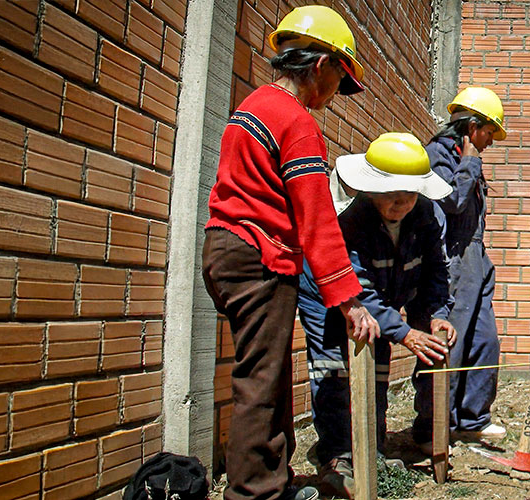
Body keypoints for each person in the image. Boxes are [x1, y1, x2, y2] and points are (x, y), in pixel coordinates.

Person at [201, 6, 379, 500]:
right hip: (260, 254)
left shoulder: (253, 104)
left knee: (271, 372)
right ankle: (253, 492)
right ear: (320, 65)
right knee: (261, 380)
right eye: (337, 81)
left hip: (224, 248)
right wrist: (349, 299)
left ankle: (273, 481)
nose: (332, 98)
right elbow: (317, 221)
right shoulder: (297, 123)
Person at [297, 133, 457, 498]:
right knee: (333, 370)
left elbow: (435, 272)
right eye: (390, 194)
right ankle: (337, 455)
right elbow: (357, 286)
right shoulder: (351, 220)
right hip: (328, 295)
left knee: (377, 369)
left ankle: (372, 447)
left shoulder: (427, 217)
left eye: (408, 195)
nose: (399, 203)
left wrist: (434, 315)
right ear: (370, 189)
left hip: (380, 300)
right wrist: (404, 332)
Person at [410, 87, 509, 450]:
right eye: (488, 133)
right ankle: (432, 426)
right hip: (449, 261)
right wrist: (469, 162)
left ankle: (471, 419)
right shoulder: (437, 154)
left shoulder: (464, 155)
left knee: (485, 342)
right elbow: (450, 200)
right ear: (472, 127)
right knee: (449, 343)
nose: (489, 143)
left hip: (474, 259)